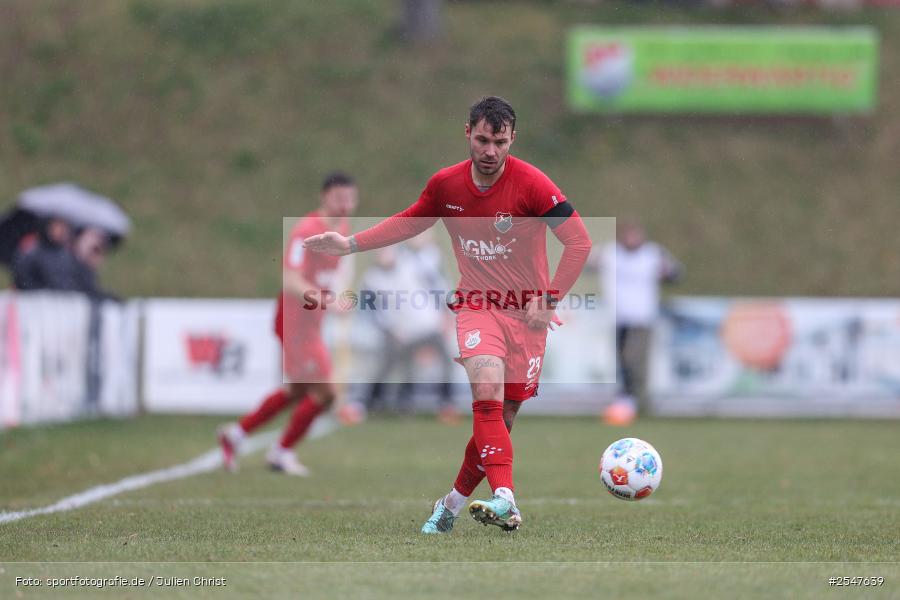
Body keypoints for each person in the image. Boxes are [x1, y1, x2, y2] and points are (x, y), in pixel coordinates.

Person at [304, 96, 592, 533]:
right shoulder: (446, 185)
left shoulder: (532, 184)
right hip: (477, 306)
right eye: (483, 140)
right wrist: (350, 245)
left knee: (502, 419)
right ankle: (506, 499)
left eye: (500, 142)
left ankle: (451, 505)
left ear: (513, 138)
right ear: (467, 133)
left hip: (528, 318)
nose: (490, 151)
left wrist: (549, 298)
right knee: (487, 391)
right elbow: (410, 221)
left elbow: (579, 241)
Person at [218, 172, 358, 475]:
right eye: (339, 198)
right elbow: (291, 280)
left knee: (296, 391)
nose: (345, 204)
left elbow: (333, 272)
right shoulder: (306, 231)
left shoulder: (343, 228)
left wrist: (338, 295)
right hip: (296, 323)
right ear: (324, 197)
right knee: (326, 393)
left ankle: (236, 435)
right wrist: (328, 301)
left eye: (350, 198)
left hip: (310, 323)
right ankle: (281, 451)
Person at [360, 239, 457, 422]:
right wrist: (390, 330)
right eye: (380, 252)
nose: (384, 255)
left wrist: (445, 313)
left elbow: (437, 282)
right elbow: (373, 312)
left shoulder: (411, 263)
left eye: (387, 250)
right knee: (394, 366)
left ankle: (446, 403)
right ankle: (375, 403)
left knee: (447, 361)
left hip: (429, 325)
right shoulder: (372, 279)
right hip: (403, 333)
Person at [597, 220, 681, 415]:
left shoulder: (652, 254)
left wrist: (667, 272)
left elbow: (676, 273)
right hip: (618, 317)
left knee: (635, 359)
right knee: (622, 362)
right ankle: (627, 399)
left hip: (642, 318)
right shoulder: (611, 253)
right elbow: (588, 261)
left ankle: (639, 400)